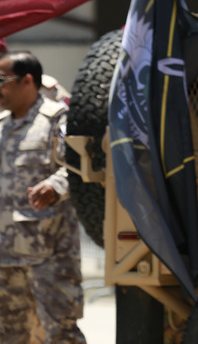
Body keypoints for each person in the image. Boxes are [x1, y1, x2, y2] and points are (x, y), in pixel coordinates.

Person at [0, 51, 85, 343]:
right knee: (11, 336)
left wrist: (55, 186)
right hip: (6, 258)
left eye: (2, 80)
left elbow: (78, 168)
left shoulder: (56, 119)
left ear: (27, 81)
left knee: (61, 334)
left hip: (49, 256)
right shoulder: (1, 126)